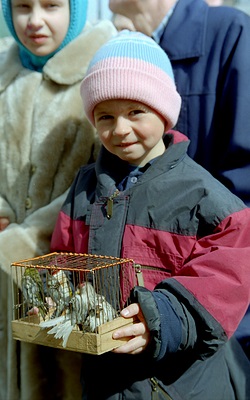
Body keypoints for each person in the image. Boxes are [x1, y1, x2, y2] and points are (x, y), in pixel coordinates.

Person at [51, 30, 250, 400]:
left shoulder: (202, 193)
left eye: (136, 112)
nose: (120, 129)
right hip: (104, 382)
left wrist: (165, 318)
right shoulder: (84, 187)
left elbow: (230, 273)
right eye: (105, 116)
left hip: (180, 384)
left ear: (164, 112)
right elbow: (65, 254)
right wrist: (55, 291)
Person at [108, 0, 250, 359]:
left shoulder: (231, 32)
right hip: (131, 328)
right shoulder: (116, 51)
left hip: (217, 312)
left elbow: (241, 197)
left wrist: (184, 313)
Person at [0, 1, 116, 399]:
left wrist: (26, 236)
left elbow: (108, 174)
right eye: (22, 6)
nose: (35, 20)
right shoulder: (4, 69)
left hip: (71, 272)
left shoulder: (103, 70)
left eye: (51, 5)